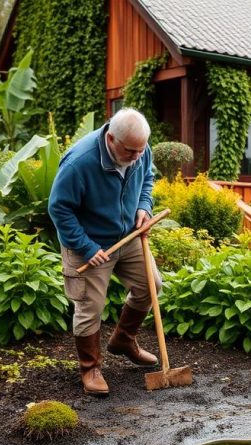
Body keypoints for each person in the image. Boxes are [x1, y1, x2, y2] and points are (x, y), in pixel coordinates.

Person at [49, 108, 160, 396]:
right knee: (90, 307)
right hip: (88, 242)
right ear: (111, 138)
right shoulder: (80, 162)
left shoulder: (140, 150)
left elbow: (148, 177)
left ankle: (124, 340)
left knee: (151, 285)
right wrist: (86, 247)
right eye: (131, 151)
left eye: (141, 149)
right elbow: (59, 209)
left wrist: (144, 207)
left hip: (127, 236)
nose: (137, 156)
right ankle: (90, 368)